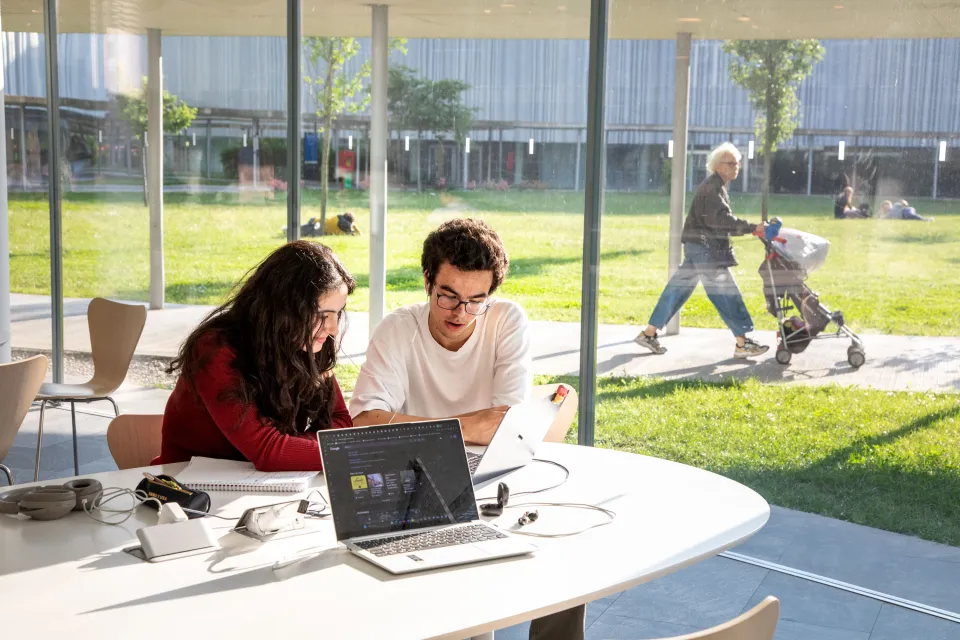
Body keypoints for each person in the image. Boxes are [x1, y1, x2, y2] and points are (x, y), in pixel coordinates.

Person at [349, 217, 585, 640]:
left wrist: (442, 426)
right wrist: (467, 425)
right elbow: (365, 424)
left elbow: (503, 425)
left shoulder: (506, 320)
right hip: (416, 486)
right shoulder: (398, 329)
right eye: (449, 297)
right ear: (427, 282)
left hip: (493, 476)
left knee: (566, 553)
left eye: (477, 299)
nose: (462, 313)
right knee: (457, 599)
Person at [155, 241, 356, 471]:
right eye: (323, 315)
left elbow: (340, 422)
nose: (333, 329)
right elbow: (268, 452)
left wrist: (291, 447)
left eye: (337, 314)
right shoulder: (215, 349)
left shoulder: (305, 342)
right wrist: (343, 453)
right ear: (285, 310)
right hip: (192, 488)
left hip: (262, 486)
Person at [634, 142, 769, 359]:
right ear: (718, 166)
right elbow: (721, 221)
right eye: (731, 163)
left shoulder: (716, 186)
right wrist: (753, 228)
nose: (736, 167)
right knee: (727, 292)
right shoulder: (712, 189)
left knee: (677, 290)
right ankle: (742, 342)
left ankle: (648, 333)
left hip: (698, 247)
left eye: (737, 163)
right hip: (705, 249)